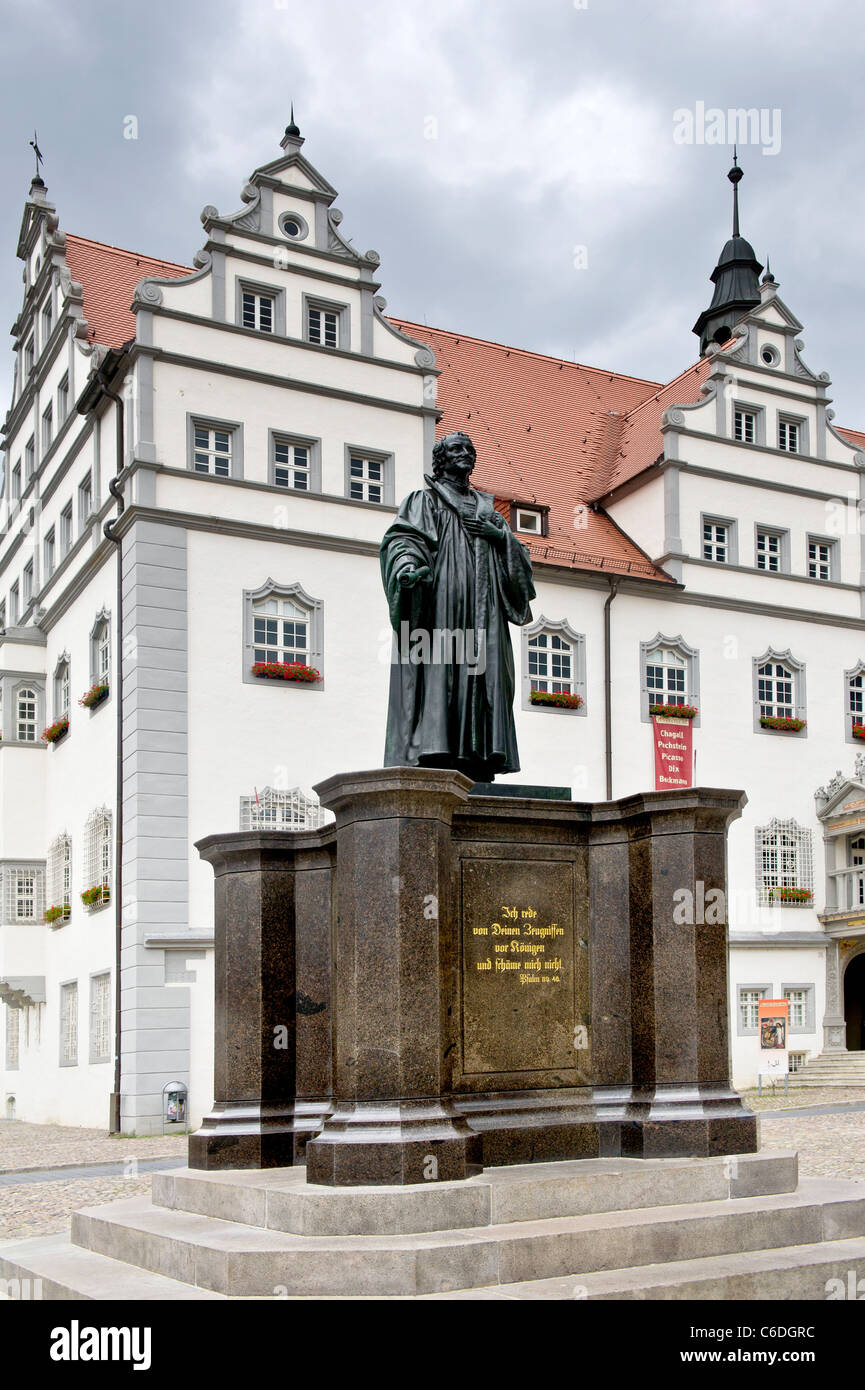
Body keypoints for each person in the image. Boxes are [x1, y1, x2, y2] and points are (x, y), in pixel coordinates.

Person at [380, 430, 535, 781]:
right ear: (442, 458)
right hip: (442, 605)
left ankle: (479, 756)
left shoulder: (488, 509)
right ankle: (438, 750)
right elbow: (403, 539)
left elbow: (521, 563)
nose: (465, 453)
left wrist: (500, 537)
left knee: (485, 675)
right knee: (442, 670)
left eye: (470, 449)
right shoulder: (425, 500)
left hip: (485, 610)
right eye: (456, 448)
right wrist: (407, 568)